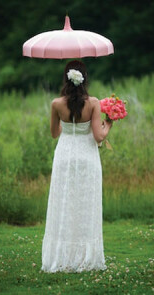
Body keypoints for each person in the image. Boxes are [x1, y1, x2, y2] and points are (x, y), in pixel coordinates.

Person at [41, 60, 112, 272]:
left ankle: (62, 256)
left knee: (64, 203)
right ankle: (84, 257)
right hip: (87, 157)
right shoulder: (93, 103)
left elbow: (54, 134)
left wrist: (70, 131)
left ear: (66, 78)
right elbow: (99, 135)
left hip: (64, 155)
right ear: (84, 79)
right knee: (85, 204)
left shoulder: (56, 104)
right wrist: (108, 124)